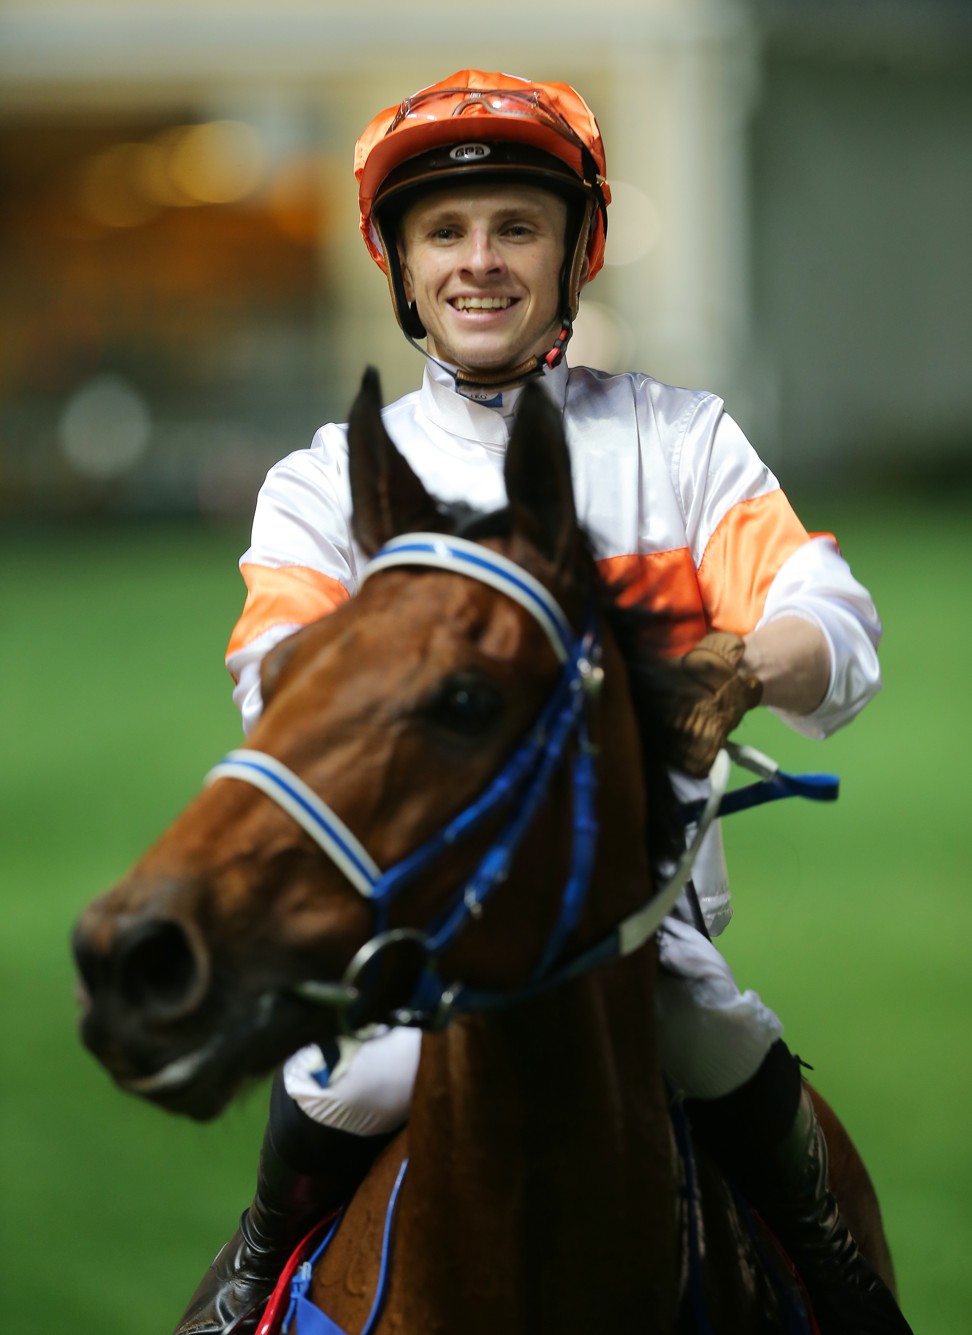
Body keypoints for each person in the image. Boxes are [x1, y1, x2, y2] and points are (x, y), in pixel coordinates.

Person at [175, 71, 911, 1335]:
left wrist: (742, 667)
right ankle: (255, 1269)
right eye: (445, 233)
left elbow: (829, 610)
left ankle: (841, 1283)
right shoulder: (322, 483)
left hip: (638, 947)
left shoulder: (681, 441)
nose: (480, 263)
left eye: (516, 226)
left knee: (720, 1032)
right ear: (399, 267)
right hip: (416, 953)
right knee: (347, 1077)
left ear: (578, 253)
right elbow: (276, 675)